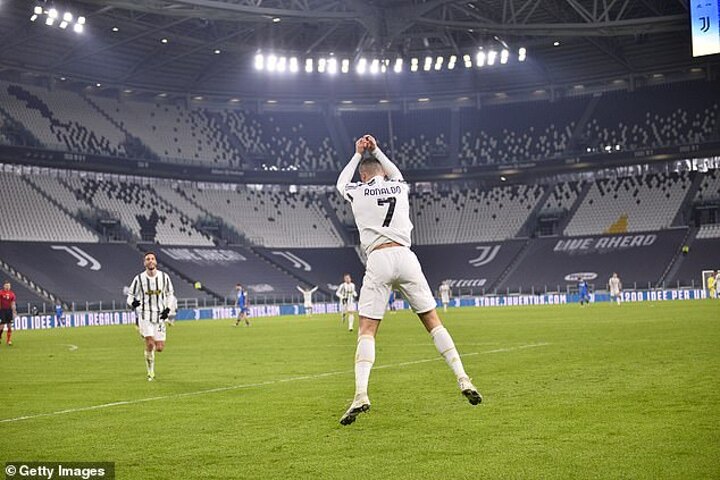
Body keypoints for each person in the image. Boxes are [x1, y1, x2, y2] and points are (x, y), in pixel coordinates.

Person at [336, 134, 481, 426]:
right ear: (383, 172)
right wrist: (377, 150)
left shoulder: (358, 191)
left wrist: (357, 153)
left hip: (378, 257)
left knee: (367, 330)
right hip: (405, 255)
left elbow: (340, 184)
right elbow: (395, 172)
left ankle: (361, 393)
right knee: (433, 322)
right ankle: (463, 377)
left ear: (363, 176)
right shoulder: (399, 186)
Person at [126, 252, 176, 381]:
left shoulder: (164, 277)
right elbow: (130, 296)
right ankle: (150, 372)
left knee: (159, 348)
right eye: (148, 259)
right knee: (149, 344)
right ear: (144, 263)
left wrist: (168, 309)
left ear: (156, 262)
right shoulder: (139, 279)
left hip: (160, 316)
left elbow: (170, 294)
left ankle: (149, 344)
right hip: (145, 315)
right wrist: (132, 303)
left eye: (152, 259)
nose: (150, 261)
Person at [0, 281, 17, 346]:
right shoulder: (1, 292)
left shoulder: (12, 294)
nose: (8, 287)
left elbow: (13, 303)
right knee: (2, 326)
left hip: (9, 311)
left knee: (9, 326)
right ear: (4, 286)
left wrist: (14, 311)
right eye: (6, 285)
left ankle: (8, 340)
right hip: (2, 310)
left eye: (9, 286)